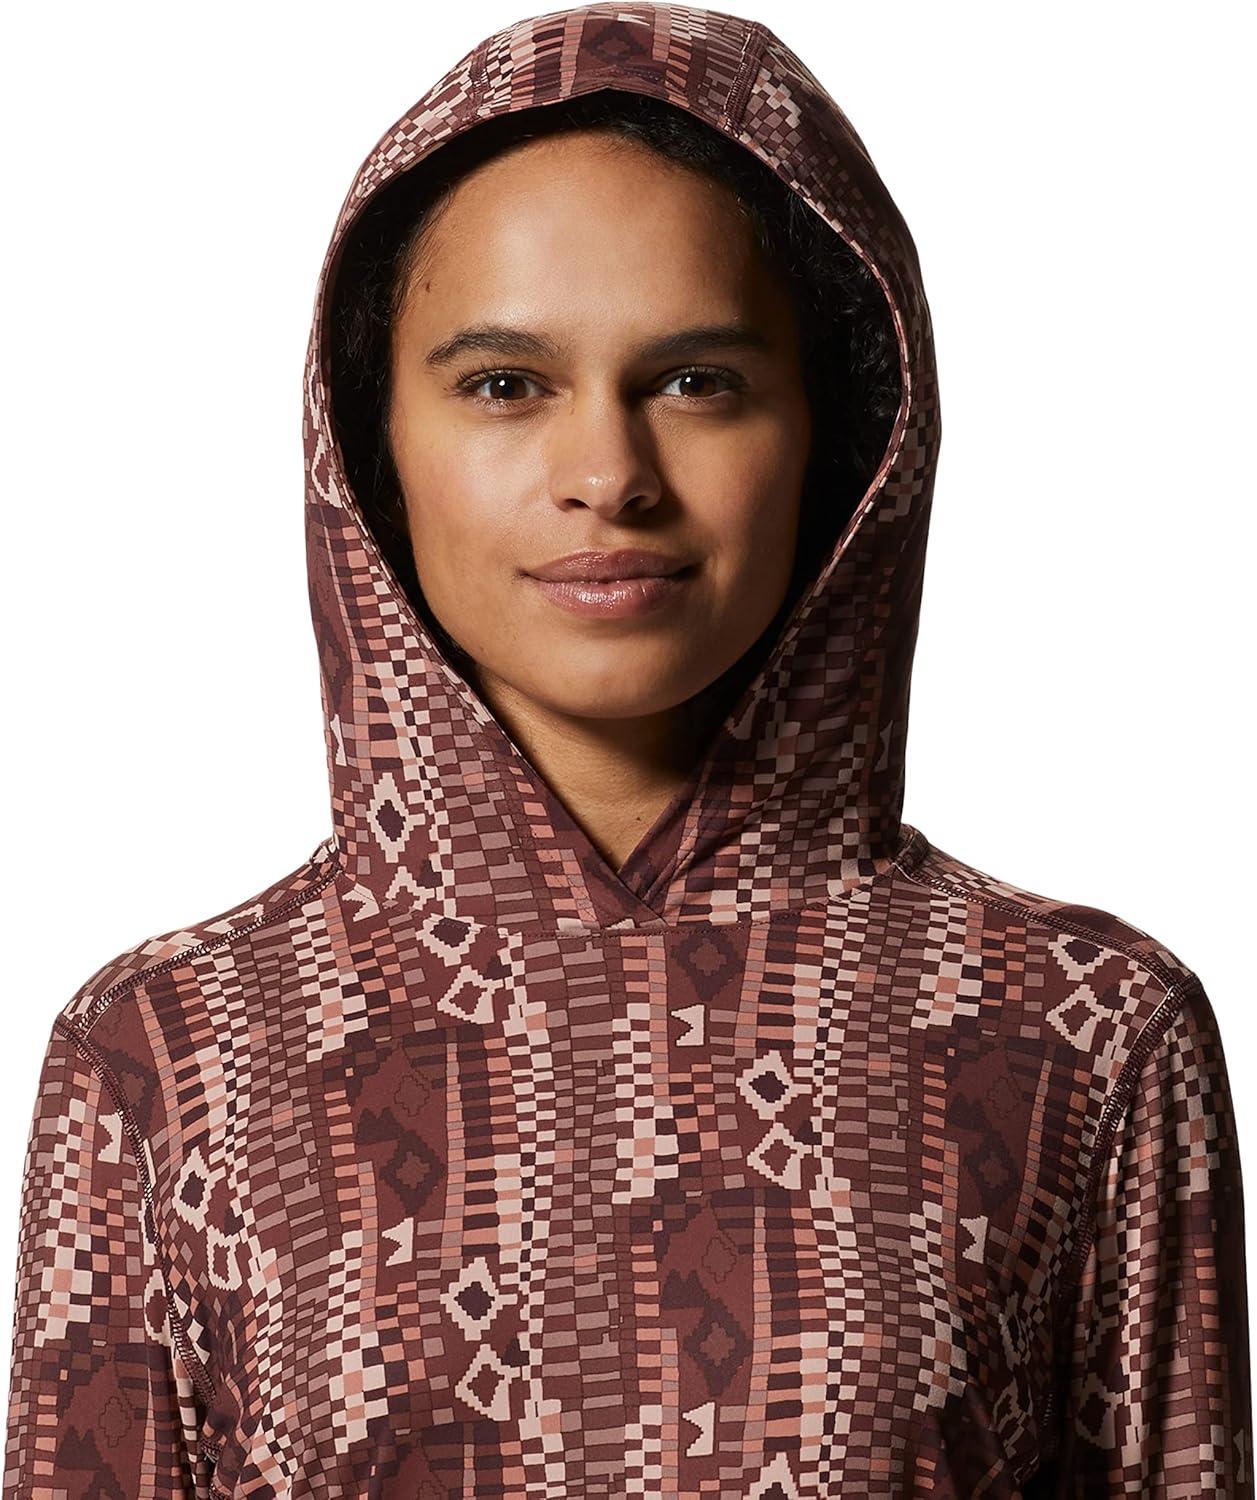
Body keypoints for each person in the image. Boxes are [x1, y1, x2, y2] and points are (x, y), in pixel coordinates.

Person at [4, 3, 1250, 1495]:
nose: (607, 475)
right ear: (371, 442)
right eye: (504, 384)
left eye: (697, 382)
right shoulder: (165, 1054)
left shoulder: (1085, 1034)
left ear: (844, 435)